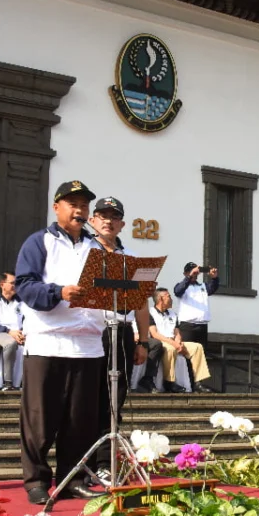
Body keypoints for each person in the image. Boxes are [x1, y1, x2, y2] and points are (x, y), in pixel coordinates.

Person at [13, 180, 109, 504]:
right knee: (41, 419)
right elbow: (24, 286)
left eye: (84, 205)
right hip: (48, 342)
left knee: (80, 421)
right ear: (57, 207)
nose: (79, 210)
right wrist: (58, 292)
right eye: (73, 203)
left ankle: (74, 478)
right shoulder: (38, 242)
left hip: (88, 345)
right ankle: (36, 480)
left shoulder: (97, 249)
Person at [87, 196, 153, 471]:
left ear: (122, 224)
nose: (108, 221)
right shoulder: (83, 251)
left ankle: (106, 462)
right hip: (91, 331)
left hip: (123, 332)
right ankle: (85, 461)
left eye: (114, 217)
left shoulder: (130, 259)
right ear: (92, 220)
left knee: (116, 399)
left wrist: (144, 340)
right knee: (89, 397)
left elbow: (141, 302)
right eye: (102, 215)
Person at [147, 288, 212, 393]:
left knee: (197, 347)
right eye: (168, 296)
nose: (171, 299)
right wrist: (173, 343)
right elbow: (154, 334)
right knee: (170, 349)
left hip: (174, 341)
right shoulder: (151, 312)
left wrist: (178, 342)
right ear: (160, 299)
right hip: (161, 342)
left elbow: (177, 332)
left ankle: (198, 382)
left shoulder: (173, 314)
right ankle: (169, 382)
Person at [173, 262, 218, 352]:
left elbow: (213, 288)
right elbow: (178, 291)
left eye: (195, 271)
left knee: (201, 353)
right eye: (190, 271)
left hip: (202, 325)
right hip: (188, 326)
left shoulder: (203, 286)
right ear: (185, 273)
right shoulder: (181, 286)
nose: (194, 273)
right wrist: (189, 277)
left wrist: (214, 278)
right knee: (187, 353)